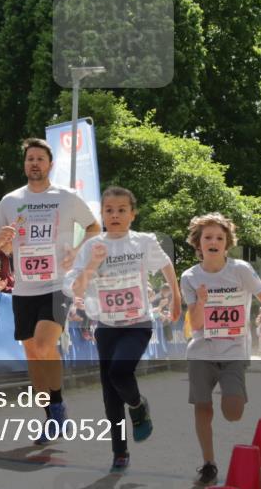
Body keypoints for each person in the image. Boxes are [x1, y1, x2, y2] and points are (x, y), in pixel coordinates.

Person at [0, 138, 99, 442]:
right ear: (25, 165)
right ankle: (51, 417)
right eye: (30, 159)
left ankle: (58, 405)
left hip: (57, 284)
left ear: (50, 164)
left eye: (40, 159)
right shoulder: (10, 200)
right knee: (33, 354)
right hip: (23, 289)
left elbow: (94, 228)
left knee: (46, 344)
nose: (34, 163)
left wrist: (77, 251)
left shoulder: (66, 197)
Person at [64, 187, 180, 472]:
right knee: (110, 394)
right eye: (109, 210)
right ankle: (120, 451)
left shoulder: (143, 241)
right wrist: (93, 264)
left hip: (137, 323)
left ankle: (139, 405)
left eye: (121, 210)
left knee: (119, 372)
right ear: (102, 214)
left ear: (132, 213)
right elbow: (76, 287)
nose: (114, 215)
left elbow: (166, 266)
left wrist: (176, 298)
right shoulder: (92, 246)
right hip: (106, 325)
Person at [181, 213, 261, 485]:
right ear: (198, 243)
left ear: (227, 243)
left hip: (233, 352)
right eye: (208, 237)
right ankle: (208, 463)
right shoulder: (190, 277)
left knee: (233, 412)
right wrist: (200, 301)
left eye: (219, 238)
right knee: (203, 408)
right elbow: (196, 323)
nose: (213, 241)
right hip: (201, 353)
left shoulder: (241, 270)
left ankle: (231, 394)